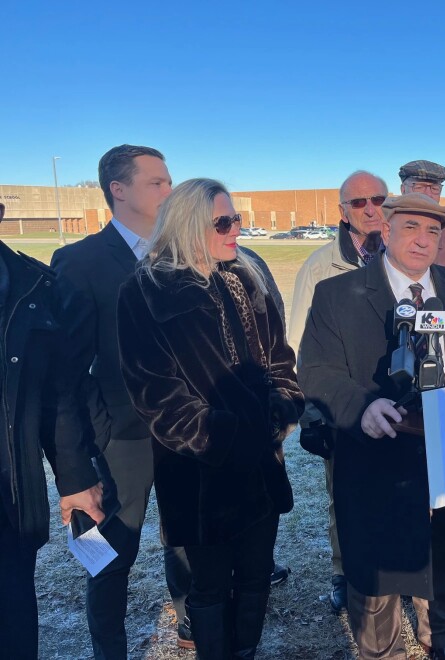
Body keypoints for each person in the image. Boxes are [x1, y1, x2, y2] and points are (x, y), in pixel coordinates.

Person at [299, 193, 445, 660]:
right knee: (377, 573)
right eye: (411, 227)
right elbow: (317, 372)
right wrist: (362, 408)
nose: (423, 240)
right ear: (386, 231)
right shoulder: (337, 294)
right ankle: (381, 651)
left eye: (433, 231)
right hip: (375, 457)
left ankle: (443, 638)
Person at [117, 179, 303, 657]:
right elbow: (156, 394)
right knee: (210, 587)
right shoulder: (145, 290)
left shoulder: (247, 276)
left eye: (236, 219)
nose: (236, 229)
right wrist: (224, 438)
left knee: (257, 577)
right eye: (223, 222)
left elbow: (281, 359)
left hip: (262, 466)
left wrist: (281, 408)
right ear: (188, 225)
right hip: (199, 478)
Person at [51, 144, 195, 656]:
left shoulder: (183, 254)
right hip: (120, 438)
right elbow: (68, 370)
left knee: (186, 537)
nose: (169, 190)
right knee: (107, 553)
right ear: (118, 189)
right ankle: (108, 648)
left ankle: (191, 623)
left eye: (169, 181)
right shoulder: (79, 262)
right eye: (157, 182)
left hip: (183, 430)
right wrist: (96, 436)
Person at [0, 202, 104, 660]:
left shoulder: (31, 284)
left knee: (14, 631)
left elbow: (54, 394)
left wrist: (75, 478)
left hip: (10, 503)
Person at [288, 170, 389, 614]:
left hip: (398, 406)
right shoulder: (319, 267)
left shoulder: (402, 257)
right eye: (359, 202)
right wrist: (314, 413)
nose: (370, 209)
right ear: (343, 212)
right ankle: (344, 572)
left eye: (378, 199)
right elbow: (299, 344)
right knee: (345, 498)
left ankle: (395, 571)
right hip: (344, 407)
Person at [399, 160, 445, 272]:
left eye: (434, 188)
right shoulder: (383, 229)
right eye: (419, 186)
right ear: (403, 189)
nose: (428, 194)